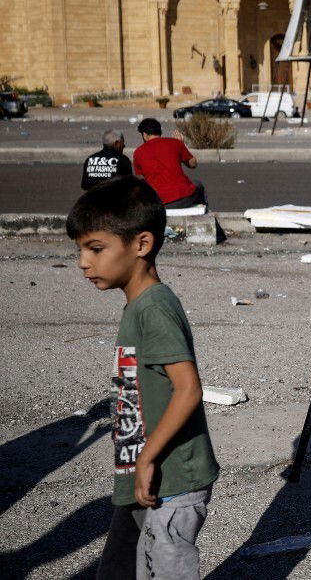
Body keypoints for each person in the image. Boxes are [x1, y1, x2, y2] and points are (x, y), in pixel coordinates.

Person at [67, 177, 219, 579]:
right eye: (80, 249)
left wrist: (148, 456)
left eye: (96, 249)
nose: (84, 261)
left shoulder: (154, 309)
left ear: (142, 245)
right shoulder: (139, 306)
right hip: (143, 478)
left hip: (171, 482)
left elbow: (189, 389)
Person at [133, 118, 206, 210]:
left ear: (144, 135)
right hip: (184, 196)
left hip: (158, 202)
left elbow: (139, 179)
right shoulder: (176, 143)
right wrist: (182, 145)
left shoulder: (138, 152)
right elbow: (193, 164)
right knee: (198, 184)